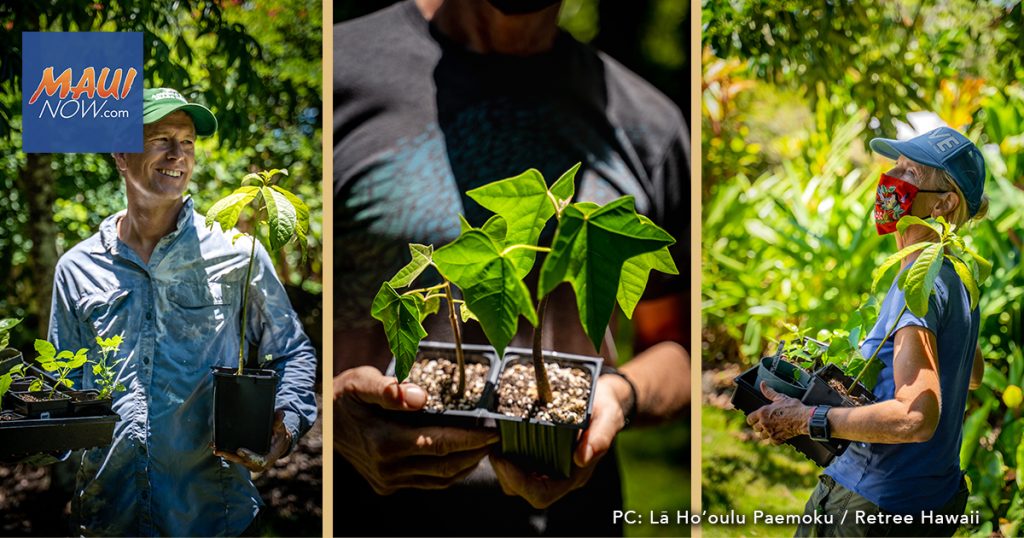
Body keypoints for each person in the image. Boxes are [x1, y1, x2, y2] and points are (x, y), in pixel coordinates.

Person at [334, 0, 690, 535]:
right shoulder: (337, 67)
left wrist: (621, 394)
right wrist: (328, 410)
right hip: (366, 512)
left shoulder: (652, 123)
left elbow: (676, 354)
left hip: (576, 515)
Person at [47, 87, 318, 536]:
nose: (178, 154)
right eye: (161, 139)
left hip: (213, 517)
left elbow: (292, 352)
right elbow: (63, 389)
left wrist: (284, 427)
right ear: (121, 153)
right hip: (111, 517)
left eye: (187, 141)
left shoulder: (237, 254)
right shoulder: (76, 269)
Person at [749, 126, 988, 537]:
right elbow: (971, 374)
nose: (893, 179)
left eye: (912, 173)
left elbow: (915, 417)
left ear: (944, 204)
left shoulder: (918, 284)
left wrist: (806, 419)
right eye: (897, 166)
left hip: (873, 505)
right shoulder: (956, 276)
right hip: (931, 499)